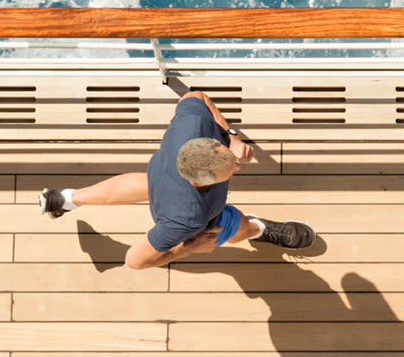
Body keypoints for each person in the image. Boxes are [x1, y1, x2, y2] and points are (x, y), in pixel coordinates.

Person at [38, 89, 313, 266]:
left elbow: (195, 96)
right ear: (203, 181)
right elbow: (134, 260)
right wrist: (190, 249)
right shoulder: (187, 219)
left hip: (163, 172)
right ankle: (258, 230)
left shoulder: (192, 126)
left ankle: (64, 198)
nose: (238, 163)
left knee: (151, 183)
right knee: (234, 222)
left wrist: (231, 137)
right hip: (191, 216)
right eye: (230, 165)